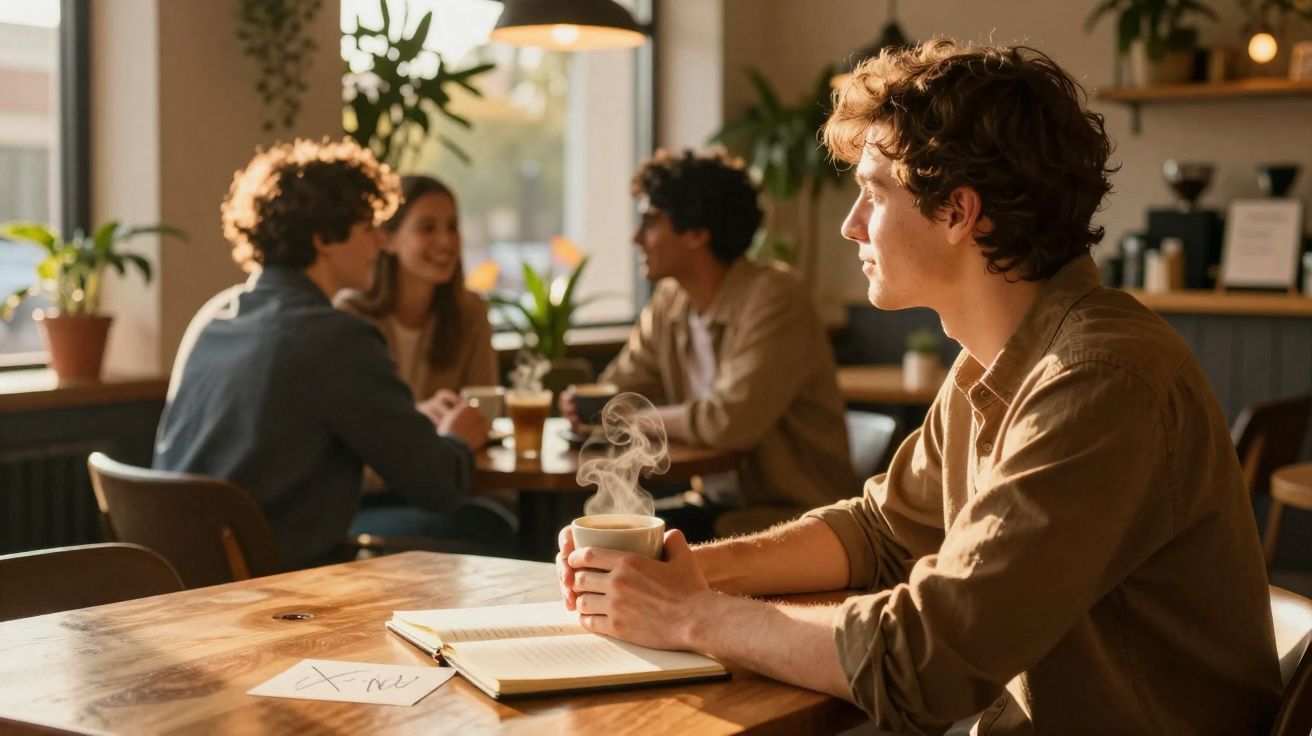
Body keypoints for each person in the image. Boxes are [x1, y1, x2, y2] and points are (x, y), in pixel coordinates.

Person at [556, 40, 1281, 733]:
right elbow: (882, 529)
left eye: (872, 193)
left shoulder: (1098, 382)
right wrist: (683, 570)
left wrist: (691, 616)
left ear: (958, 212)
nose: (850, 225)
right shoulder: (990, 363)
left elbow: (925, 663)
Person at [154, 137, 494, 570]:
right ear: (323, 239)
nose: (380, 244)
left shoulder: (213, 316)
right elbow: (439, 484)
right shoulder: (334, 337)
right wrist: (459, 437)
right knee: (487, 527)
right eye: (368, 229)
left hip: (188, 571)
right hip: (272, 580)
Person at [560, 148, 855, 543]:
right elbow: (623, 385)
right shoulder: (671, 301)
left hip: (795, 517)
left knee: (628, 551)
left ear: (697, 232)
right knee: (590, 538)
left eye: (650, 221)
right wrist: (589, 404)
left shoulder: (775, 297)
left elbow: (727, 422)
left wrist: (630, 417)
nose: (635, 237)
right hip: (717, 508)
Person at [336, 175, 498, 400]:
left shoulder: (471, 312)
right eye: (427, 228)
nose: (445, 241)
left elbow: (484, 406)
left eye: (452, 227)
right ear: (388, 240)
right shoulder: (350, 314)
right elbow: (349, 415)